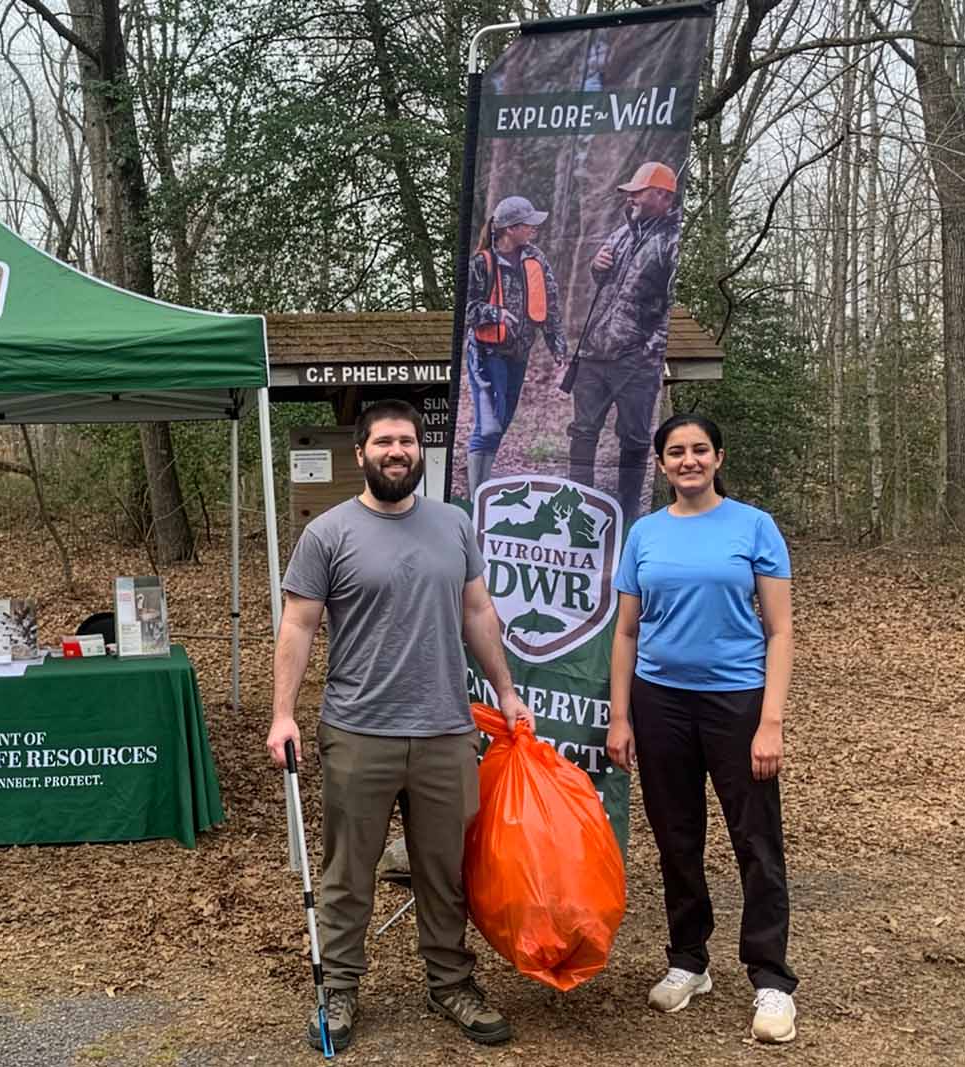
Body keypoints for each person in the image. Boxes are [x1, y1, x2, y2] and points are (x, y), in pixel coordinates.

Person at [266, 398, 532, 1051]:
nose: (396, 450)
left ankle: (450, 983)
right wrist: (282, 714)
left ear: (420, 451)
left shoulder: (453, 525)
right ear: (359, 453)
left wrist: (506, 689)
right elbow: (298, 625)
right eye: (383, 440)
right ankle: (339, 990)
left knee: (443, 870)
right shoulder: (328, 533)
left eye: (407, 440)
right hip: (359, 729)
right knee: (348, 871)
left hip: (446, 728)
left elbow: (478, 613)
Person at [605, 413, 798, 1044]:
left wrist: (770, 722)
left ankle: (770, 978)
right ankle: (689, 960)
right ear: (661, 464)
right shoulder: (646, 534)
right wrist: (620, 715)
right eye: (676, 452)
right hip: (661, 703)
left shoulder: (754, 527)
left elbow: (779, 631)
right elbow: (627, 631)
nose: (689, 461)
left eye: (700, 450)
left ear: (718, 458)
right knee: (677, 839)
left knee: (756, 840)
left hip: (737, 702)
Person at [568, 161, 681, 521]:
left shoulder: (672, 241)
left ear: (662, 196)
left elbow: (671, 304)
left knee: (633, 440)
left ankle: (629, 517)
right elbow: (603, 283)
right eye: (630, 191)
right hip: (594, 352)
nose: (630, 197)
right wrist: (596, 267)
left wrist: (649, 351)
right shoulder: (622, 233)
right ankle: (577, 507)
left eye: (638, 191)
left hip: (635, 360)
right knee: (582, 433)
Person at [462, 195, 567, 496]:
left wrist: (557, 344)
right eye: (528, 224)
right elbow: (466, 311)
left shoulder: (536, 259)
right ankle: (476, 498)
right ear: (509, 228)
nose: (534, 229)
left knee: (503, 422)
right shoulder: (481, 263)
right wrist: (495, 313)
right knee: (489, 426)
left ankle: (481, 486)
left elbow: (550, 305)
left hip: (518, 355)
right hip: (487, 353)